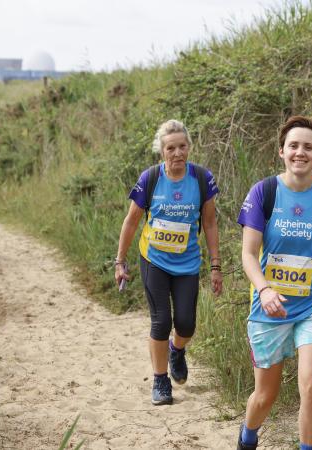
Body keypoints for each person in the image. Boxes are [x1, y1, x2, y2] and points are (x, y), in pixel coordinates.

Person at [236, 116, 312, 450]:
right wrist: (264, 289)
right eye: (294, 145)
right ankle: (248, 436)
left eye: (308, 147)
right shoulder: (264, 193)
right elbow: (248, 254)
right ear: (281, 151)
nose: (300, 152)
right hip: (268, 310)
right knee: (265, 396)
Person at [114, 119, 223, 405]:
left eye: (182, 146)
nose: (177, 153)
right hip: (155, 260)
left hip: (187, 262)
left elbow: (210, 224)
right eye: (171, 148)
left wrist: (215, 265)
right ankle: (161, 381)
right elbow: (131, 221)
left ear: (189, 147)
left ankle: (177, 349)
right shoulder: (150, 179)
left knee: (186, 324)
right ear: (161, 151)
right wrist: (120, 261)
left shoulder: (201, 178)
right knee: (161, 321)